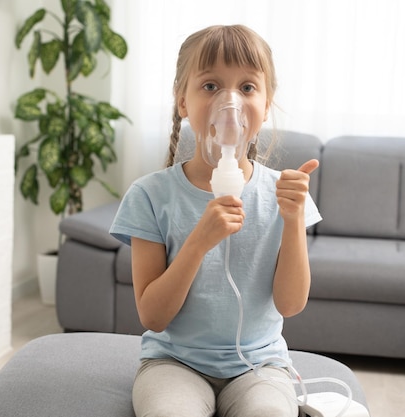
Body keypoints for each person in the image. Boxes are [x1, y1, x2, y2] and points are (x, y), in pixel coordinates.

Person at [110, 24, 322, 417]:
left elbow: (291, 305)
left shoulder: (283, 194)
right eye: (210, 86)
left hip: (260, 366)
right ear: (182, 102)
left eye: (247, 87)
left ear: (267, 102)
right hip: (173, 363)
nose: (231, 102)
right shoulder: (150, 196)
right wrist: (198, 241)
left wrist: (292, 220)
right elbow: (152, 317)